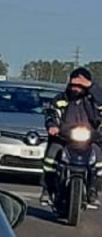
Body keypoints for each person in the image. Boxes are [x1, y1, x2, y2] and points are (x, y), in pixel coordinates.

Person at [41, 67, 102, 206]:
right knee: (51, 155)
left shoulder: (94, 100)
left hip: (90, 139)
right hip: (64, 138)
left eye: (80, 85)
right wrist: (52, 125)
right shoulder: (61, 99)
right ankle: (48, 189)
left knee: (99, 158)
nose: (76, 88)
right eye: (73, 84)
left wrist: (92, 87)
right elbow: (51, 113)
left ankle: (93, 190)